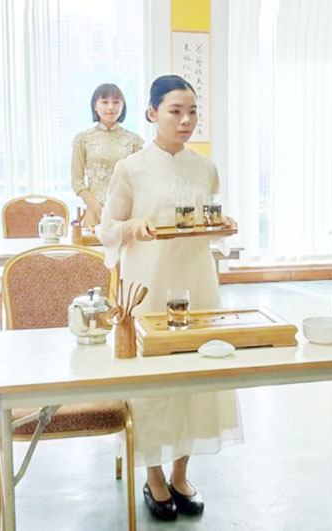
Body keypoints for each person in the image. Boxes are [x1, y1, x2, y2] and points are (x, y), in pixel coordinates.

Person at [96, 75, 242, 522]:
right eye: (175, 111)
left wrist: (222, 226)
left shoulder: (205, 168)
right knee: (154, 379)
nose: (185, 120)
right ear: (152, 113)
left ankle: (181, 473)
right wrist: (131, 227)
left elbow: (205, 224)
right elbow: (106, 228)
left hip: (197, 284)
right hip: (150, 286)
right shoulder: (131, 168)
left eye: (192, 111)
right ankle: (154, 475)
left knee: (195, 374)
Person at [71, 83, 144, 227]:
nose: (110, 107)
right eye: (104, 102)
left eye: (116, 102)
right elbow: (77, 182)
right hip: (94, 212)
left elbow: (139, 180)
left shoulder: (134, 140)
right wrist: (94, 206)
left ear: (123, 106)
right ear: (95, 106)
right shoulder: (83, 139)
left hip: (126, 213)